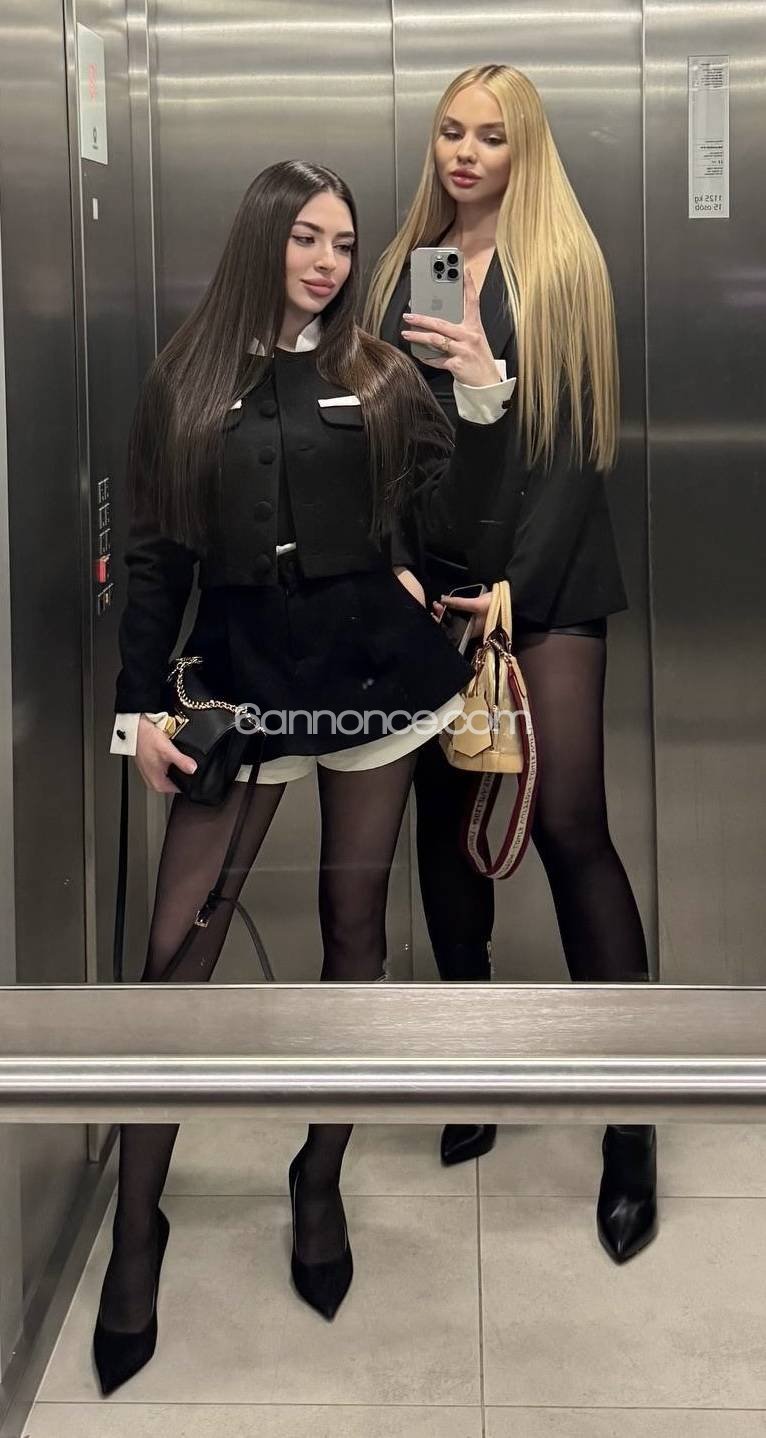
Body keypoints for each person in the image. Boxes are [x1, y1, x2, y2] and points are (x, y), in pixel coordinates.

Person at [95, 157, 515, 1396]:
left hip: (373, 684)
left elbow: (446, 518)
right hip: (240, 691)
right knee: (175, 957)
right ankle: (134, 1230)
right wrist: (135, 716)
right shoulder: (185, 378)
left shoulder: (378, 372)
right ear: (262, 239)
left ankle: (319, 1177)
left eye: (343, 242)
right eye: (306, 240)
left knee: (353, 930)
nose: (329, 262)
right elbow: (157, 557)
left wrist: (480, 400)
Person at [364, 64, 657, 1265]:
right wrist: (398, 563)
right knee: (445, 830)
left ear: (522, 149)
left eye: (490, 136)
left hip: (546, 585)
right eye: (450, 132)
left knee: (572, 827)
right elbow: (395, 440)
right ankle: (472, 1069)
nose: (465, 153)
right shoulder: (416, 268)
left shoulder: (560, 267)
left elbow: (573, 453)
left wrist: (512, 590)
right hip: (437, 585)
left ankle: (634, 1122)